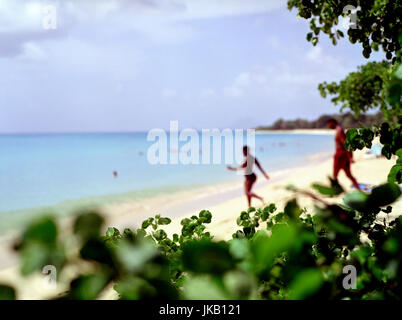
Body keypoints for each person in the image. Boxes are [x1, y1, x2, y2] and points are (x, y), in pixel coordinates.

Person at [326, 118, 361, 190]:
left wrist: (350, 157)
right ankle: (358, 187)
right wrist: (350, 157)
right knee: (348, 174)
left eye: (329, 124)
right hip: (342, 155)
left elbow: (346, 144)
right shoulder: (339, 130)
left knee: (335, 175)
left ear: (332, 123)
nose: (328, 126)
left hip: (340, 155)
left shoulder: (339, 131)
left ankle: (334, 190)